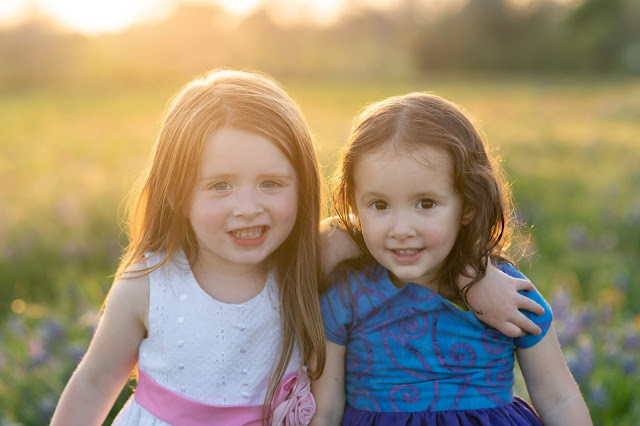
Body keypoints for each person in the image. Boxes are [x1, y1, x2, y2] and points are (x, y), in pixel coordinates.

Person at [50, 69, 545, 426]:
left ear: (303, 184)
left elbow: (402, 238)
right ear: (177, 191)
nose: (248, 208)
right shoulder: (149, 281)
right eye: (219, 186)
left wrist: (474, 279)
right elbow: (95, 381)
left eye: (271, 183)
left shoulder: (313, 255)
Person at [312, 93, 592, 425]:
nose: (401, 229)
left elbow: (559, 398)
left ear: (468, 207)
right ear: (356, 208)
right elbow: (326, 409)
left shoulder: (506, 291)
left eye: (426, 203)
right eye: (380, 205)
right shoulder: (348, 294)